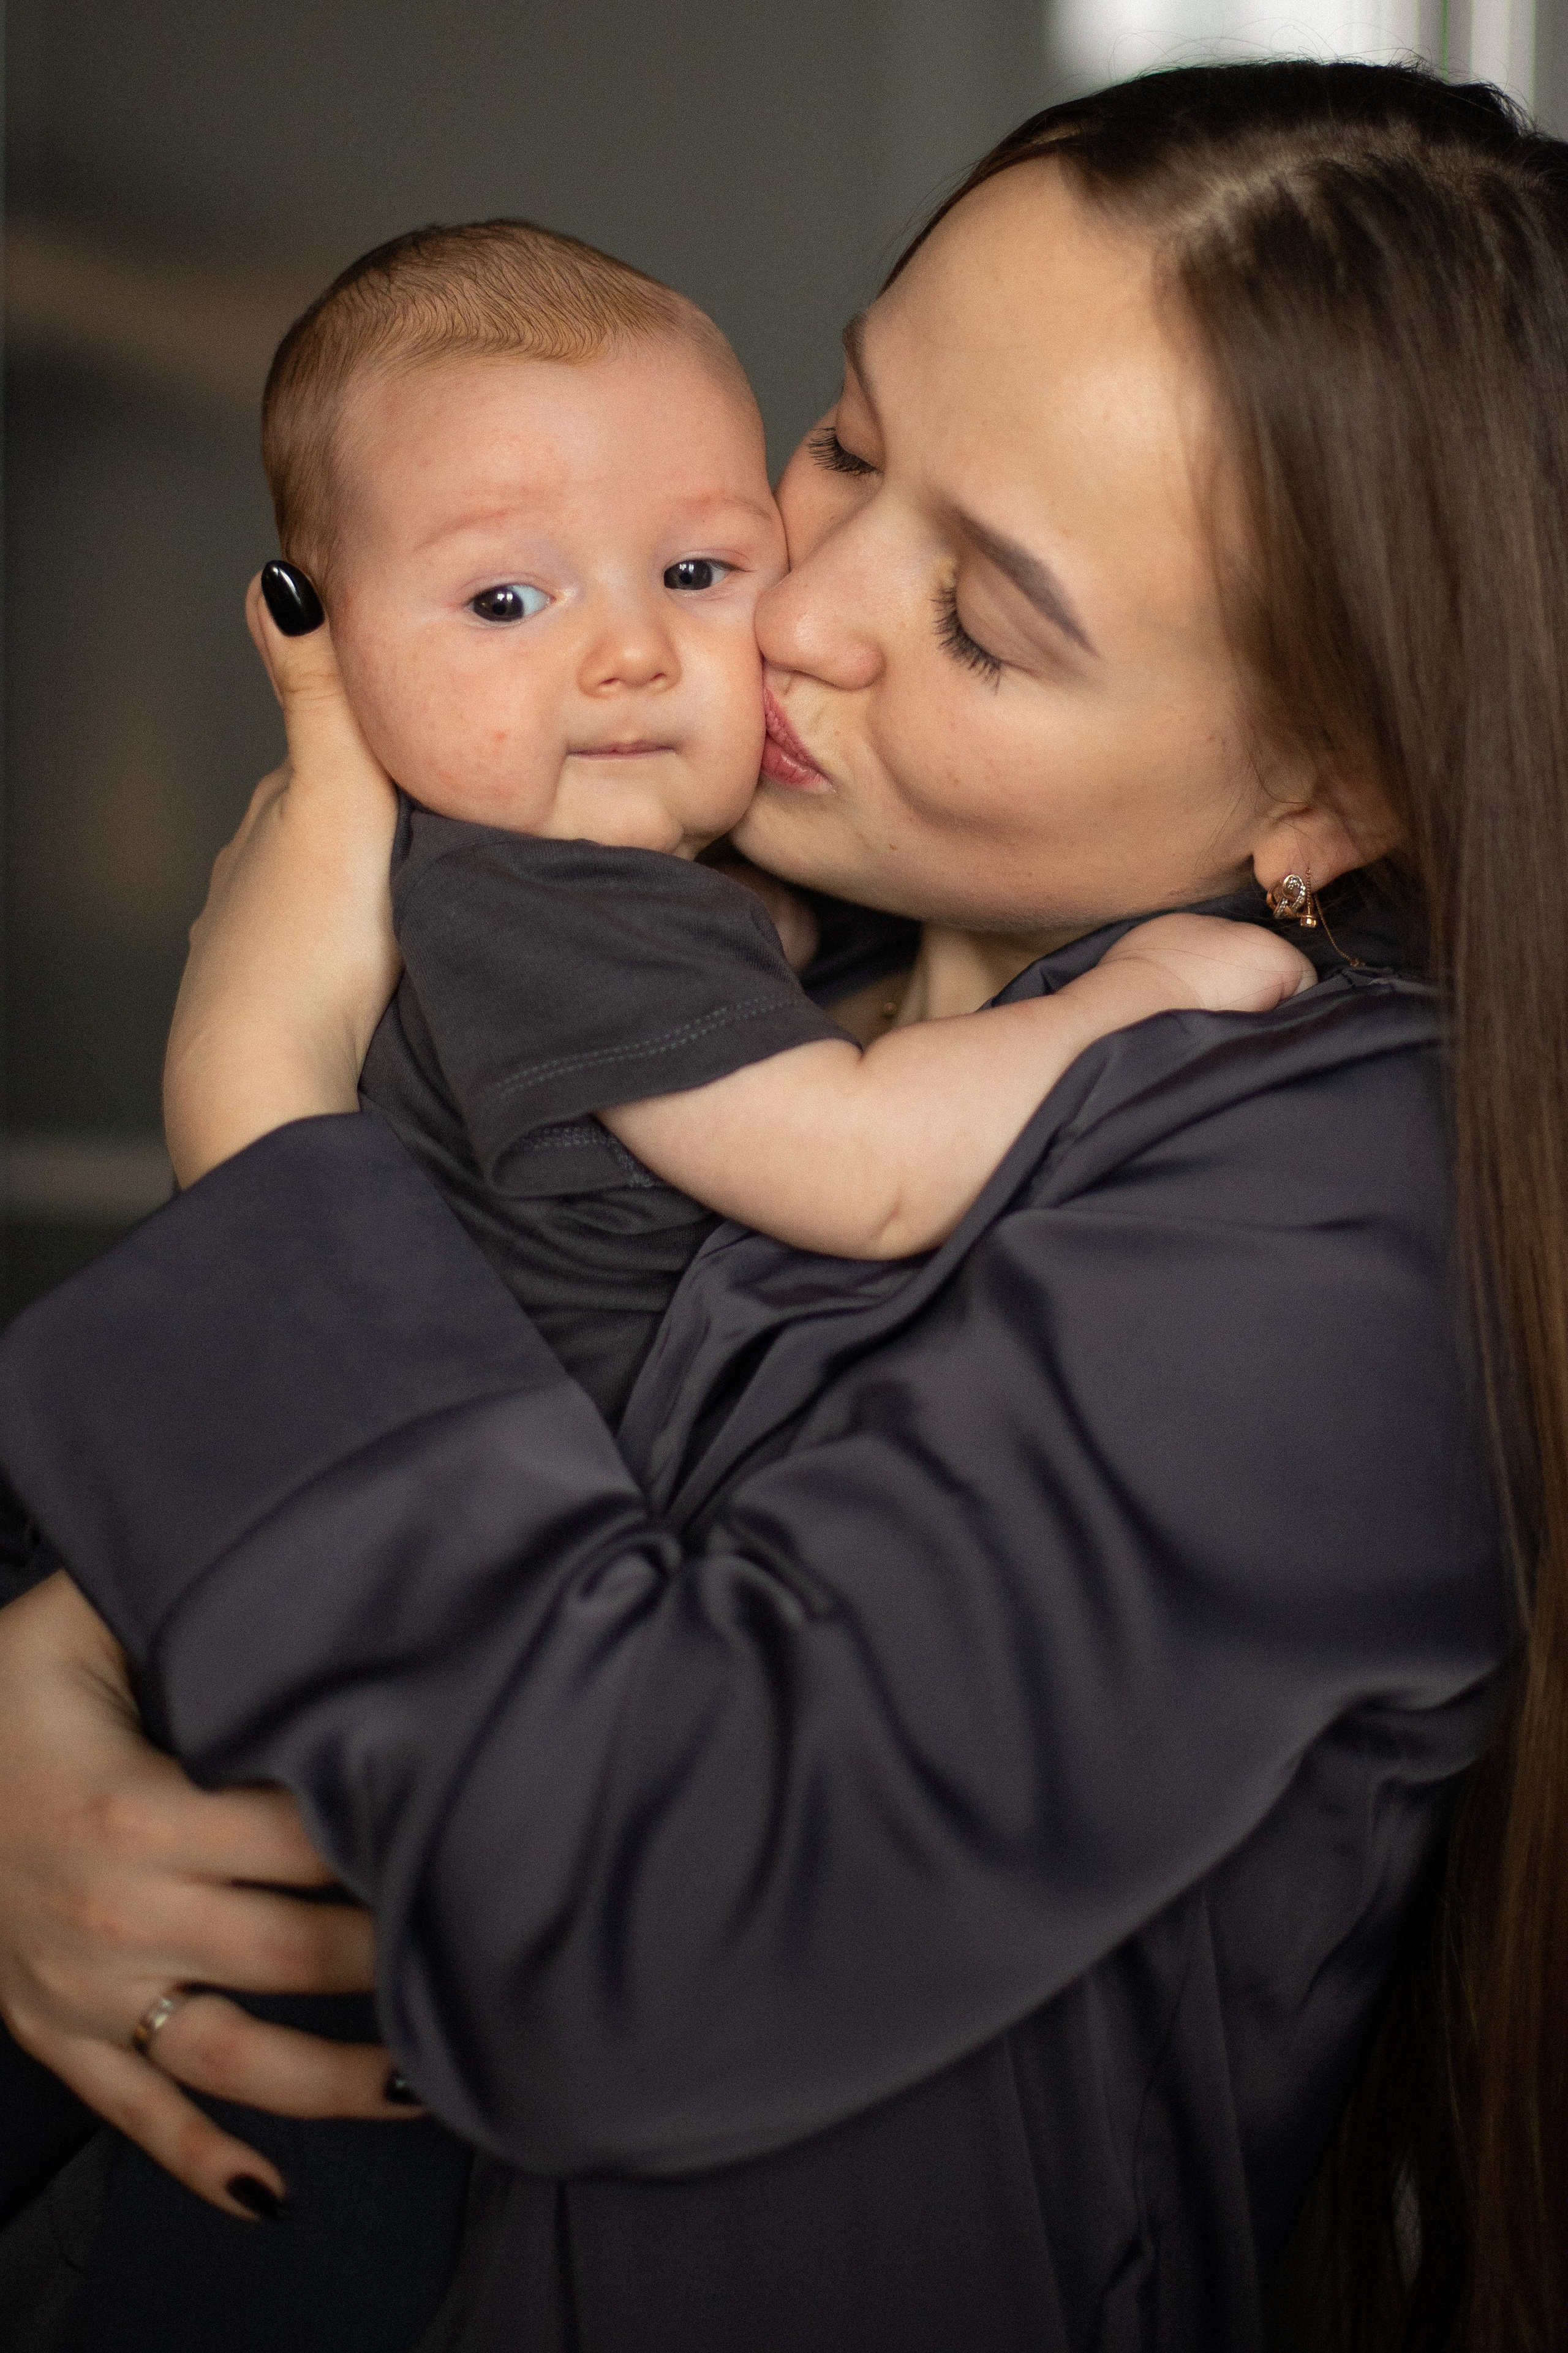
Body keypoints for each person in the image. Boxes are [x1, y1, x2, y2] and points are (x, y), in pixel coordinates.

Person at [0, 55, 1562, 2353]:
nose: (804, 605)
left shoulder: (1347, 1237)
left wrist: (255, 1092)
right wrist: (41, 1694)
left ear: (1331, 790)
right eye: (846, 438)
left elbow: (625, 1928)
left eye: (992, 622)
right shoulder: (730, 914)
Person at [215, 219, 1309, 1427]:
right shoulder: (534, 901)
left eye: (692, 574)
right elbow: (869, 1169)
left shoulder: (612, 892)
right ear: (327, 640)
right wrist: (1132, 997)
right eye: (506, 599)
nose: (630, 653)